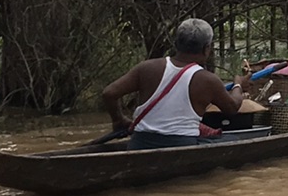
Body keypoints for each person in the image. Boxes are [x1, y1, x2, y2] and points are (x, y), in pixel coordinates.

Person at [99, 18, 249, 149]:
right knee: (234, 140)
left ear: (176, 44)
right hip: (181, 144)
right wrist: (238, 84)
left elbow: (109, 93)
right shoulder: (208, 80)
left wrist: (118, 120)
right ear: (206, 49)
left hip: (139, 143)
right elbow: (232, 108)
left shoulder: (147, 67)